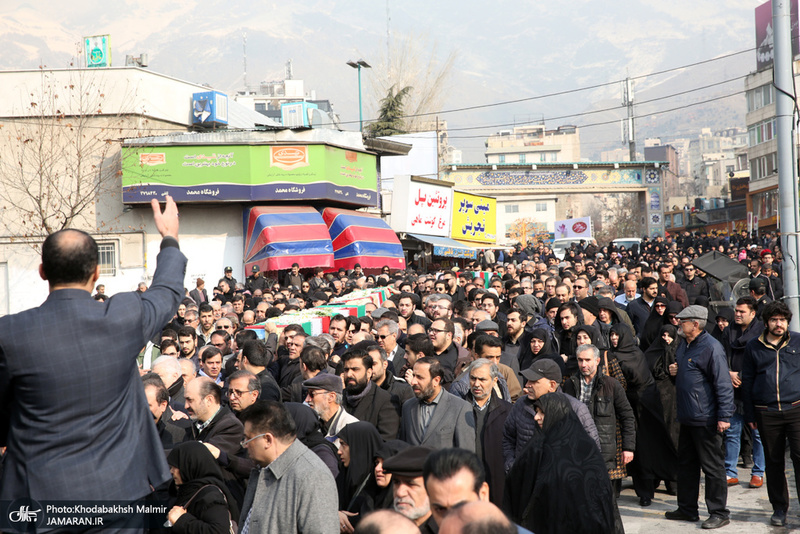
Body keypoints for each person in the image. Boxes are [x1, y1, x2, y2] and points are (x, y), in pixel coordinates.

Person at [0, 195, 185, 505]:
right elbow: (166, 291)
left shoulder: (10, 333)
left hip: (38, 498)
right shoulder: (123, 317)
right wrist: (169, 238)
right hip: (118, 493)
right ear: (97, 273)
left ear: (42, 271)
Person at [504, 393, 618, 534]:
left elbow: (599, 497)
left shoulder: (586, 450)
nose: (536, 417)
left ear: (556, 414)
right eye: (536, 412)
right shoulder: (535, 447)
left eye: (542, 413)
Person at [665, 305, 734, 529]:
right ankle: (687, 508)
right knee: (686, 465)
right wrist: (676, 373)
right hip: (687, 416)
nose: (678, 323)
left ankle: (719, 512)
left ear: (696, 324)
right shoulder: (684, 345)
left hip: (706, 418)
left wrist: (724, 416)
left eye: (683, 320)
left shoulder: (711, 348)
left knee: (712, 467)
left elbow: (723, 384)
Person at [238, 401, 339, 533]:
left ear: (268, 440)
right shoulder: (263, 469)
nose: (244, 445)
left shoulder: (312, 476)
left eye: (247, 439)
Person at [742, 300, 800, 527]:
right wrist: (749, 414)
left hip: (796, 409)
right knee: (773, 462)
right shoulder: (753, 346)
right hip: (766, 413)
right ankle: (779, 508)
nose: (779, 324)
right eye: (775, 320)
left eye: (783, 320)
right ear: (766, 322)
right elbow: (747, 381)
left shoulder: (797, 341)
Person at [563, 344, 636, 498]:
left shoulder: (611, 385)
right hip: (577, 449)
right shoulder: (570, 384)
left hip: (605, 450)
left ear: (597, 361)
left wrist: (629, 447)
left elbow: (627, 416)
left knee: (606, 500)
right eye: (580, 360)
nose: (584, 364)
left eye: (588, 360)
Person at [720, 296, 765, 489]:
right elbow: (721, 354)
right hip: (733, 390)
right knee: (732, 432)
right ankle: (730, 472)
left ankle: (758, 472)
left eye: (741, 312)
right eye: (736, 311)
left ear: (753, 313)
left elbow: (763, 360)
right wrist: (728, 373)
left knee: (757, 434)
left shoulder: (761, 332)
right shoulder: (729, 331)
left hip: (754, 389)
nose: (737, 314)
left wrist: (742, 375)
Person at [399, 357, 476, 451]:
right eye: (414, 376)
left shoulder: (460, 408)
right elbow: (403, 447)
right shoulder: (408, 406)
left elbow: (466, 453)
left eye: (420, 377)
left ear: (436, 380)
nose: (413, 381)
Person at [166, 441, 239, 533]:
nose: (172, 471)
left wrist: (182, 521)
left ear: (189, 466)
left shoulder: (210, 496)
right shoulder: (187, 491)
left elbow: (219, 531)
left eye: (175, 467)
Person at [336, 422, 385, 532]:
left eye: (343, 444)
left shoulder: (378, 483)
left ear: (358, 446)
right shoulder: (342, 477)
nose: (339, 451)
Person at [382, 446, 438, 534]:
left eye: (411, 484)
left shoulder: (451, 529)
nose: (400, 493)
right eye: (396, 482)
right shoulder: (384, 528)